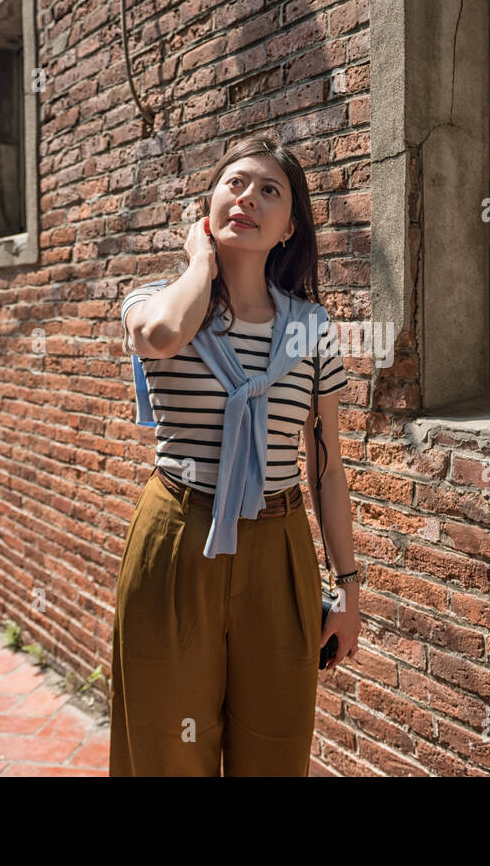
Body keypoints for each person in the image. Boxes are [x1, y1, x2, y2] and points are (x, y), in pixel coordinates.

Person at [109, 133, 360, 776]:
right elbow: (163, 336)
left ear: (289, 226)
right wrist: (200, 262)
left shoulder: (310, 327)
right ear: (209, 204)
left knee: (275, 751)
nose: (247, 196)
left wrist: (348, 586)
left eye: (268, 190)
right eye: (235, 183)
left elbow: (327, 467)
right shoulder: (156, 300)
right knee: (167, 751)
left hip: (279, 549)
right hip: (176, 540)